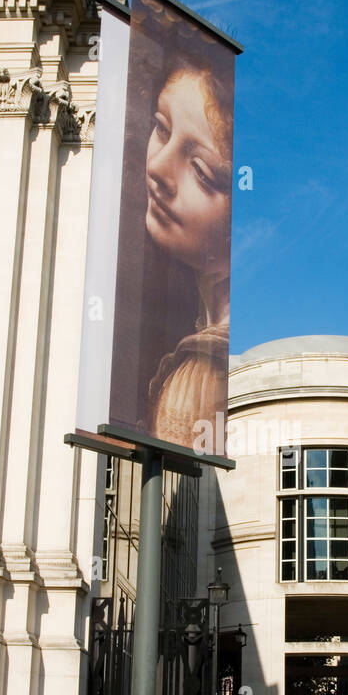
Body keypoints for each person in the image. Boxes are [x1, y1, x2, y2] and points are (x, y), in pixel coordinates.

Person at [144, 61, 232, 445]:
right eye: (162, 129)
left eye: (201, 171)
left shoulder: (207, 371)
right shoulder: (198, 337)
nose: (158, 168)